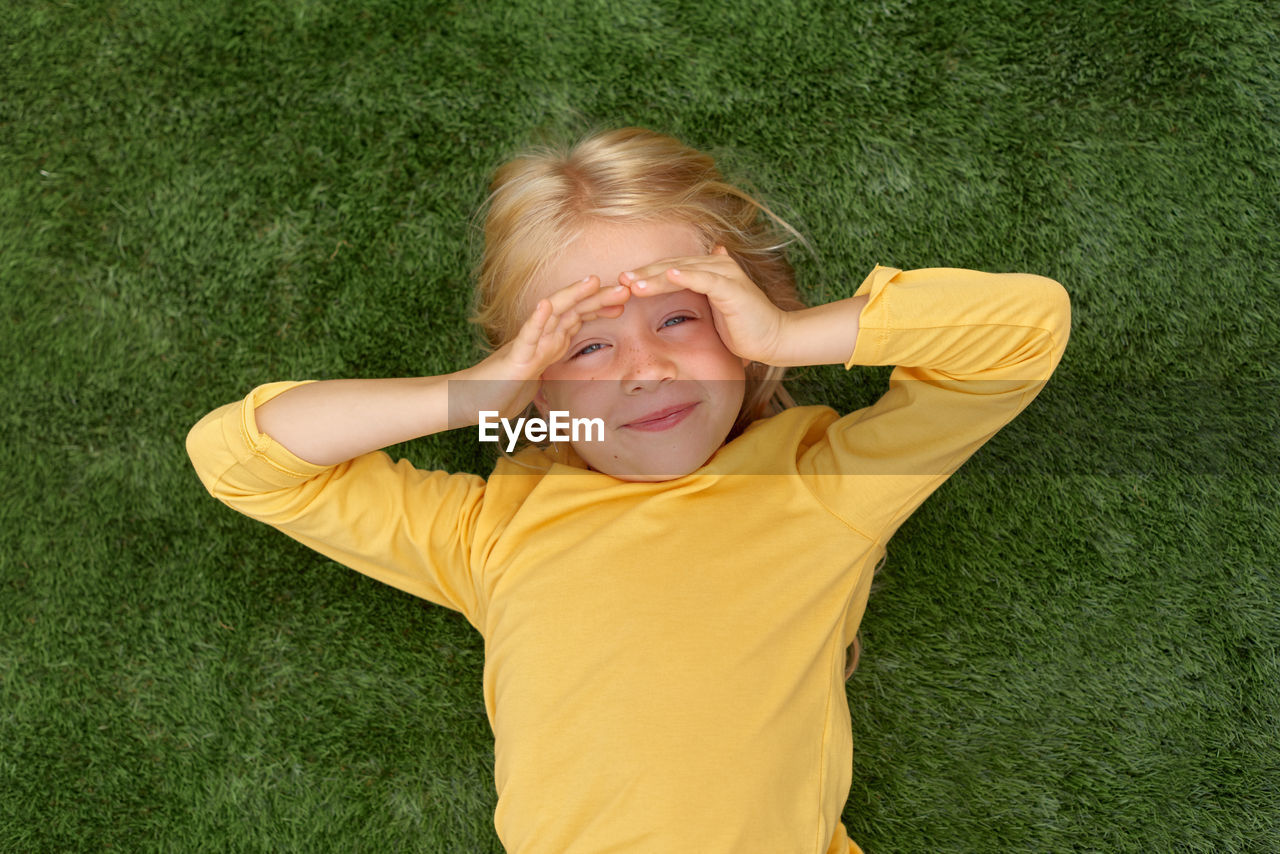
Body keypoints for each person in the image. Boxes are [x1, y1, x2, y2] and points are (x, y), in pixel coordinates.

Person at [186, 126, 1070, 854]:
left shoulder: (819, 480)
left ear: (740, 319)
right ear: (537, 379)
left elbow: (1025, 331)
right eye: (585, 342)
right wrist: (478, 396)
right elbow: (241, 456)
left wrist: (790, 335)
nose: (645, 369)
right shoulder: (491, 526)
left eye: (681, 316)